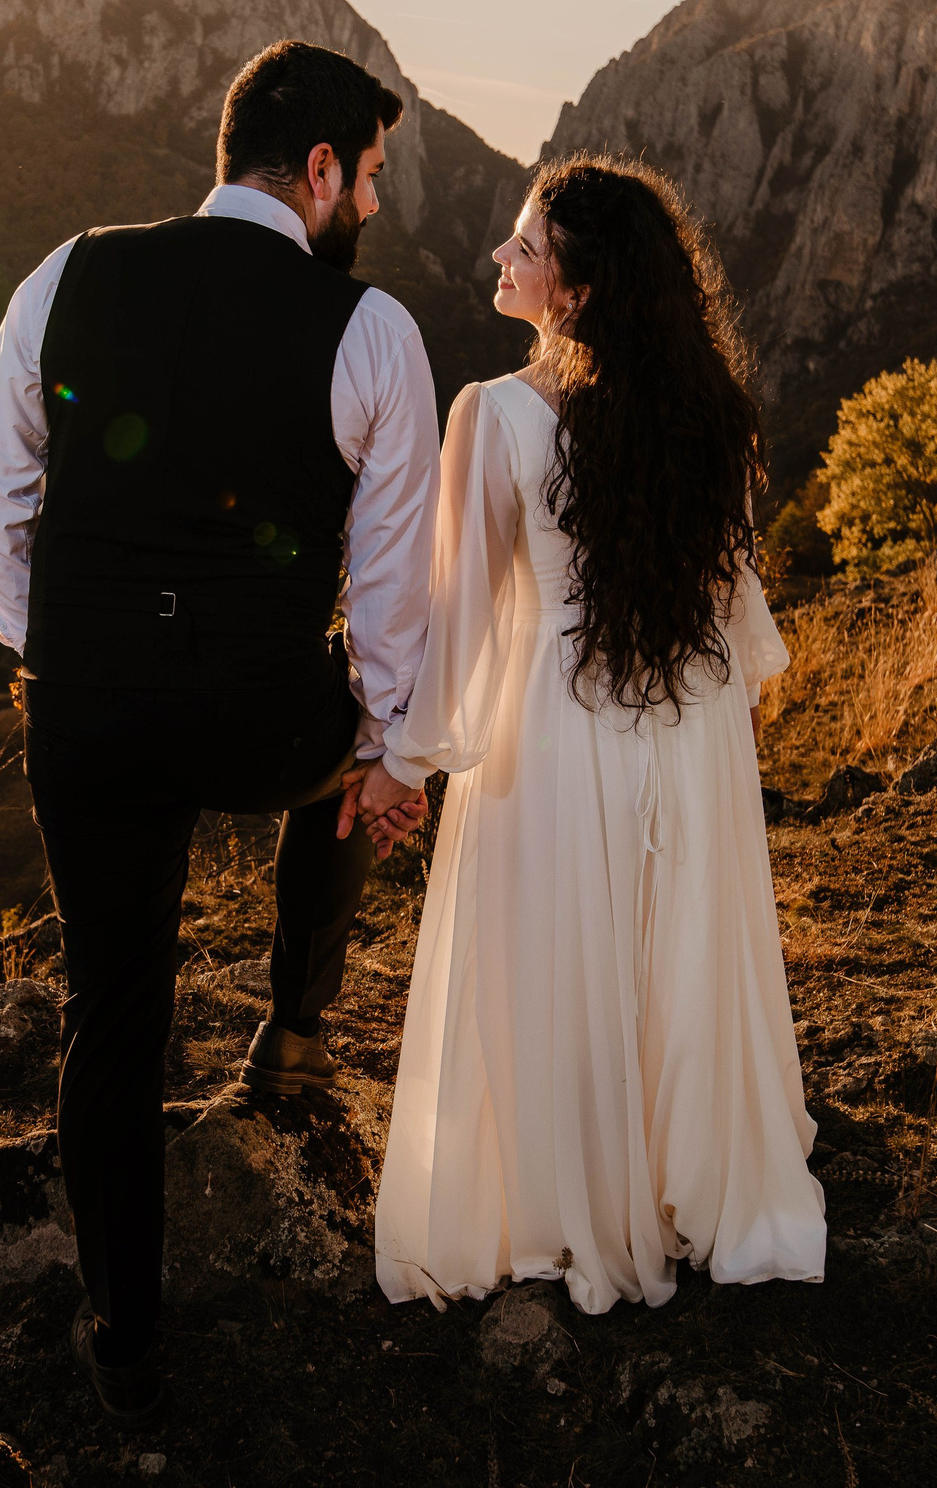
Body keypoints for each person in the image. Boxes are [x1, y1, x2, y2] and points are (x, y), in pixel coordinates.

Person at [0, 39, 439, 1424]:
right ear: (326, 172)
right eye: (375, 181)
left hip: (89, 714)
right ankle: (294, 1027)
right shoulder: (373, 334)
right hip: (260, 721)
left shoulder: (68, 271)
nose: (378, 212)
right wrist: (394, 749)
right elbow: (396, 588)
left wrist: (45, 643)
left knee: (113, 1008)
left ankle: (125, 1338)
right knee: (358, 748)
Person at [363, 154, 828, 1315]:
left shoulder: (499, 412)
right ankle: (687, 1179)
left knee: (556, 954)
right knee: (670, 952)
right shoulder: (707, 413)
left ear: (573, 290)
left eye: (522, 248)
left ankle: (566, 1194)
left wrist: (401, 759)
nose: (498, 259)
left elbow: (460, 616)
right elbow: (731, 603)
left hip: (555, 728)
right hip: (685, 722)